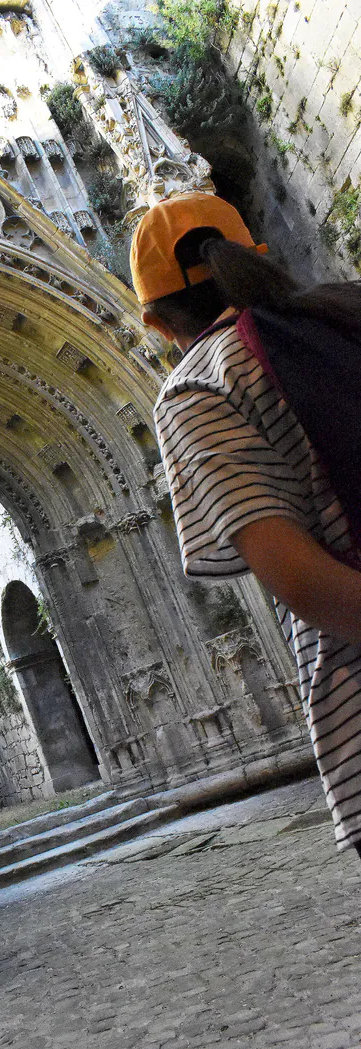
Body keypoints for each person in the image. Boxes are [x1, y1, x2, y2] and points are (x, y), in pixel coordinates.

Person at [129, 191, 361, 858]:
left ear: (156, 320)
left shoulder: (198, 385)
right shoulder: (347, 312)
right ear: (255, 253)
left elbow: (301, 579)